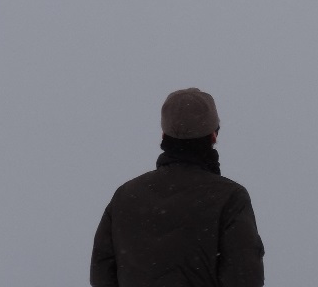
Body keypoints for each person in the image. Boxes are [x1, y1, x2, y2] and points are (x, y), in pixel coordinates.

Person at [90, 88, 265, 287]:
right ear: (213, 136)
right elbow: (244, 278)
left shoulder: (125, 196)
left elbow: (101, 273)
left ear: (163, 135)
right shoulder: (230, 198)